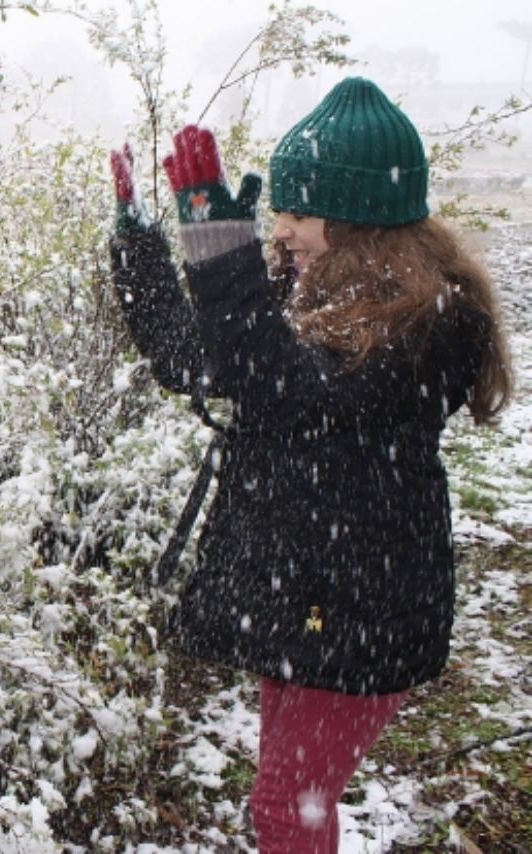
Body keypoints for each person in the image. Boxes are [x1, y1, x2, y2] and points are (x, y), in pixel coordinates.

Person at [107, 77, 512, 852]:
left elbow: (288, 390)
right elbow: (198, 361)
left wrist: (220, 253)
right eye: (278, 209)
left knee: (288, 804)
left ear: (357, 218)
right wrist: (142, 248)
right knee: (292, 801)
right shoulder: (310, 291)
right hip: (302, 590)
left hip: (363, 604)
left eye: (297, 211)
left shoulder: (430, 324)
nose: (281, 225)